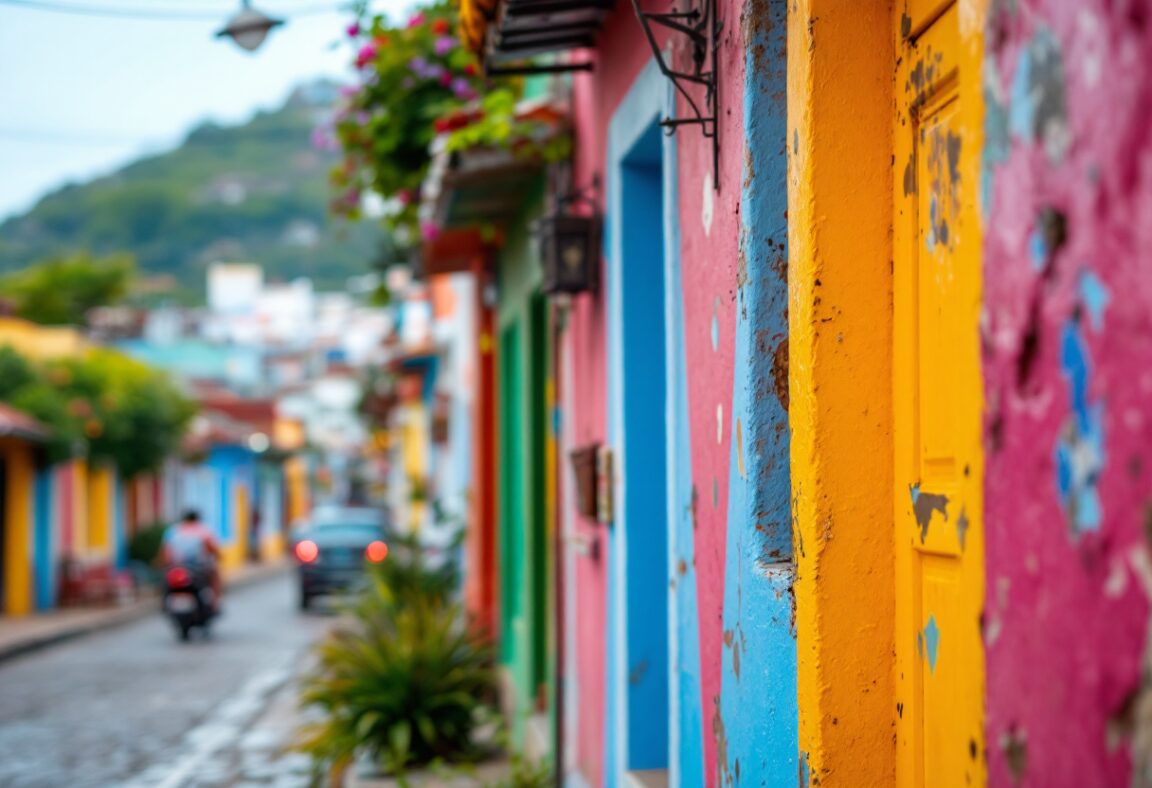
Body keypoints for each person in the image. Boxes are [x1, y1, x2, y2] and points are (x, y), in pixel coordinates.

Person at [161, 509, 222, 612]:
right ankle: (214, 603)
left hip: (177, 567)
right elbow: (212, 549)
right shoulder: (203, 530)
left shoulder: (173, 530)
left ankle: (163, 603)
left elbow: (165, 552)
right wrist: (218, 556)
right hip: (198, 567)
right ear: (197, 519)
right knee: (215, 575)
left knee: (165, 578)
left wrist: (166, 565)